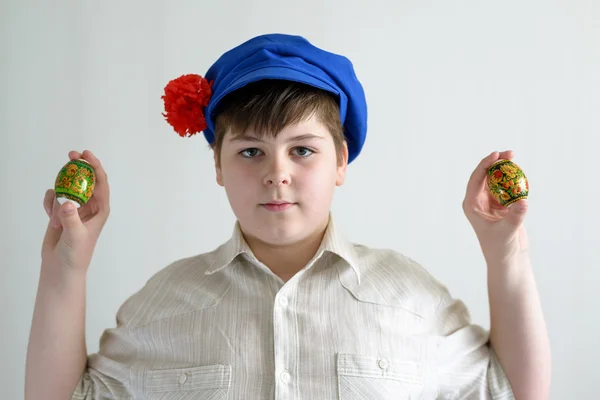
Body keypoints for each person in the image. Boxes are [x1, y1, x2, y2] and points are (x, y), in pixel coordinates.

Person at [25, 34, 551, 400]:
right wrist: (66, 266)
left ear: (341, 160)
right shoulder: (163, 302)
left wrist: (504, 252)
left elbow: (510, 391)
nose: (277, 174)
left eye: (302, 150)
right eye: (251, 152)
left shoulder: (409, 297)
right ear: (218, 166)